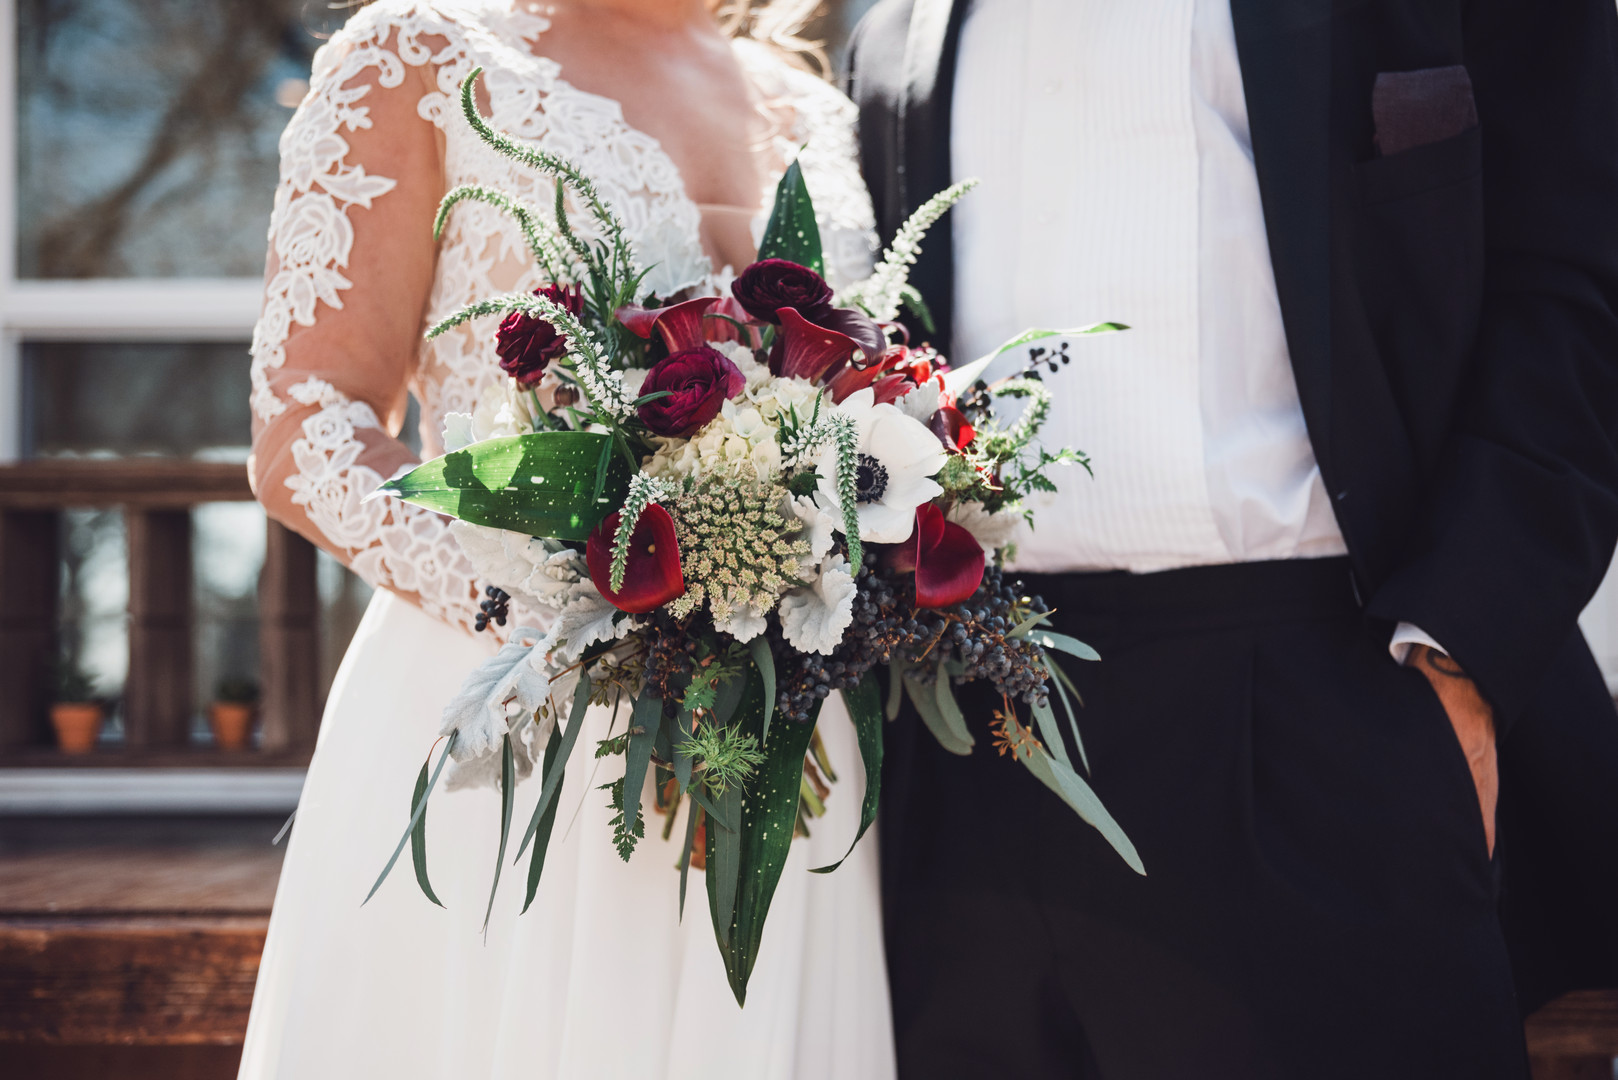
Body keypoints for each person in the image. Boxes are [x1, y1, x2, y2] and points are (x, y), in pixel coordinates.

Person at [849, 1, 1618, 1077]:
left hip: (1320, 720)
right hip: (957, 743)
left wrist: (1457, 658)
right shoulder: (895, 22)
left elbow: (1575, 269)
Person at [242, 2, 895, 1076]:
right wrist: (559, 611)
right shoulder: (422, 56)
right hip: (520, 714)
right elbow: (307, 428)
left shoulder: (814, 108)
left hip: (789, 744)